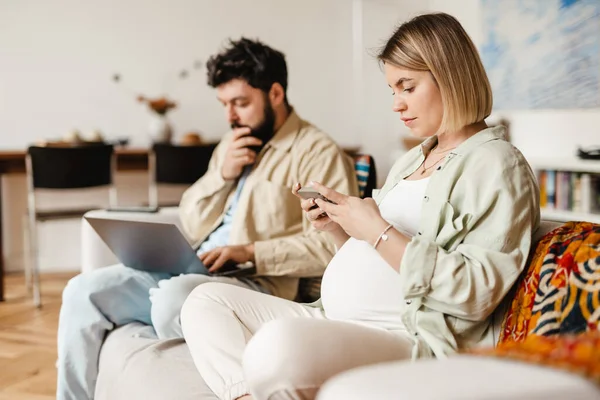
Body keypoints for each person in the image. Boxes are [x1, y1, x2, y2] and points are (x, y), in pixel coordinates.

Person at [180, 12, 541, 400]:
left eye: (407, 86)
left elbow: (476, 292)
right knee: (204, 301)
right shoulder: (412, 161)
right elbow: (372, 256)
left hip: (409, 338)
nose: (397, 105)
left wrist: (377, 230)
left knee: (278, 346)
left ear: (449, 75)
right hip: (333, 317)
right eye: (392, 90)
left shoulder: (497, 164)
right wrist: (338, 228)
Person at [56, 38, 358, 400]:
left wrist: (250, 251)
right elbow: (193, 220)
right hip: (192, 267)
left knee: (172, 299)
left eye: (241, 103)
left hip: (253, 282)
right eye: (224, 104)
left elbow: (335, 246)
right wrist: (222, 175)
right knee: (81, 291)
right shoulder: (230, 145)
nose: (230, 115)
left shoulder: (318, 153)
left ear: (275, 93)